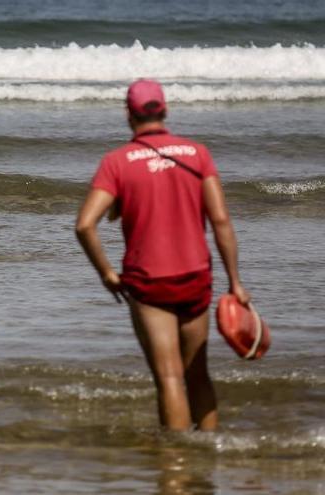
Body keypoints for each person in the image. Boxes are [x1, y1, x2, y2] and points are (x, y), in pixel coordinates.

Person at [75, 79, 250, 431]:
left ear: (128, 114)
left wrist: (107, 274)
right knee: (197, 375)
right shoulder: (197, 153)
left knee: (169, 377)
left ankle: (178, 465)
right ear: (165, 110)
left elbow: (84, 225)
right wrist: (236, 283)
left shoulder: (117, 162)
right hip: (195, 277)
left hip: (149, 282)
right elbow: (220, 219)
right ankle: (208, 456)